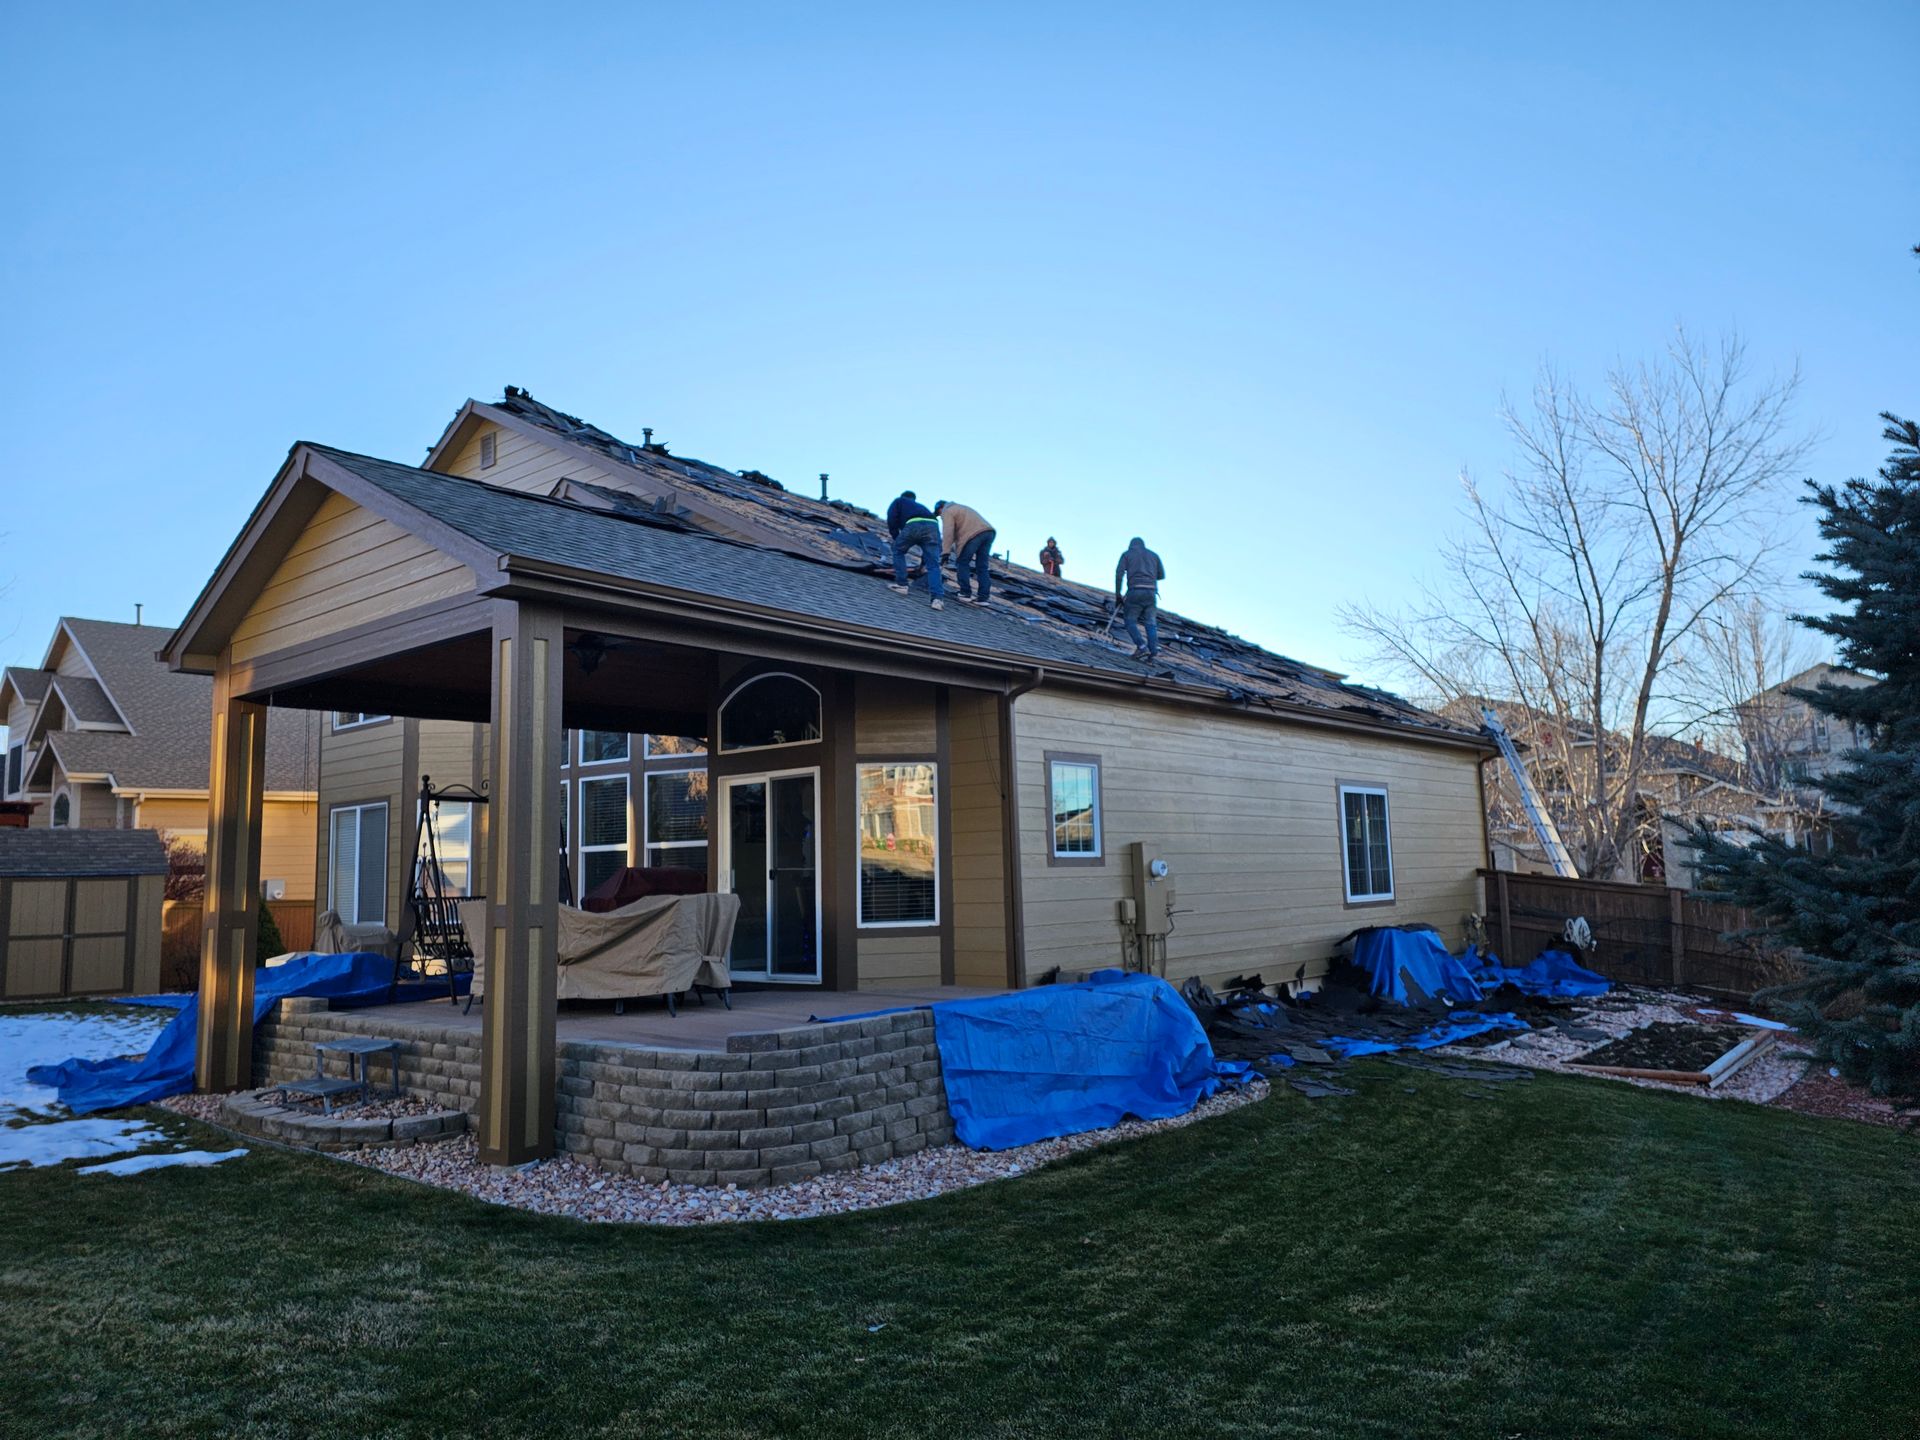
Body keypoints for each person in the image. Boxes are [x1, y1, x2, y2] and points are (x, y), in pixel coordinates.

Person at [885, 489, 944, 608]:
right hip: (933, 526)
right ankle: (937, 600)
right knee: (933, 565)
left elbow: (891, 518)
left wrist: (896, 537)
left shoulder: (899, 501)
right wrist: (923, 563)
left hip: (914, 524)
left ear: (903, 496)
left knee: (898, 550)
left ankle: (902, 585)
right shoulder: (921, 507)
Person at [935, 500, 997, 604]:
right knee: (982, 567)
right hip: (988, 532)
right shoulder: (961, 508)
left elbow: (948, 532)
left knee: (962, 562)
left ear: (941, 508)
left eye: (939, 513)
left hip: (973, 535)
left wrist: (945, 552)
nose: (940, 516)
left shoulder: (948, 511)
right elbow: (956, 534)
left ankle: (965, 593)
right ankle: (983, 598)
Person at [1114, 537, 1165, 660]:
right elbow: (1161, 575)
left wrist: (1118, 595)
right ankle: (1153, 651)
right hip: (1151, 594)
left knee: (1130, 620)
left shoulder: (1127, 554)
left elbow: (1119, 574)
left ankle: (1142, 646)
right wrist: (1149, 575)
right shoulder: (1154, 555)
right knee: (1151, 624)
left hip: (1135, 591)